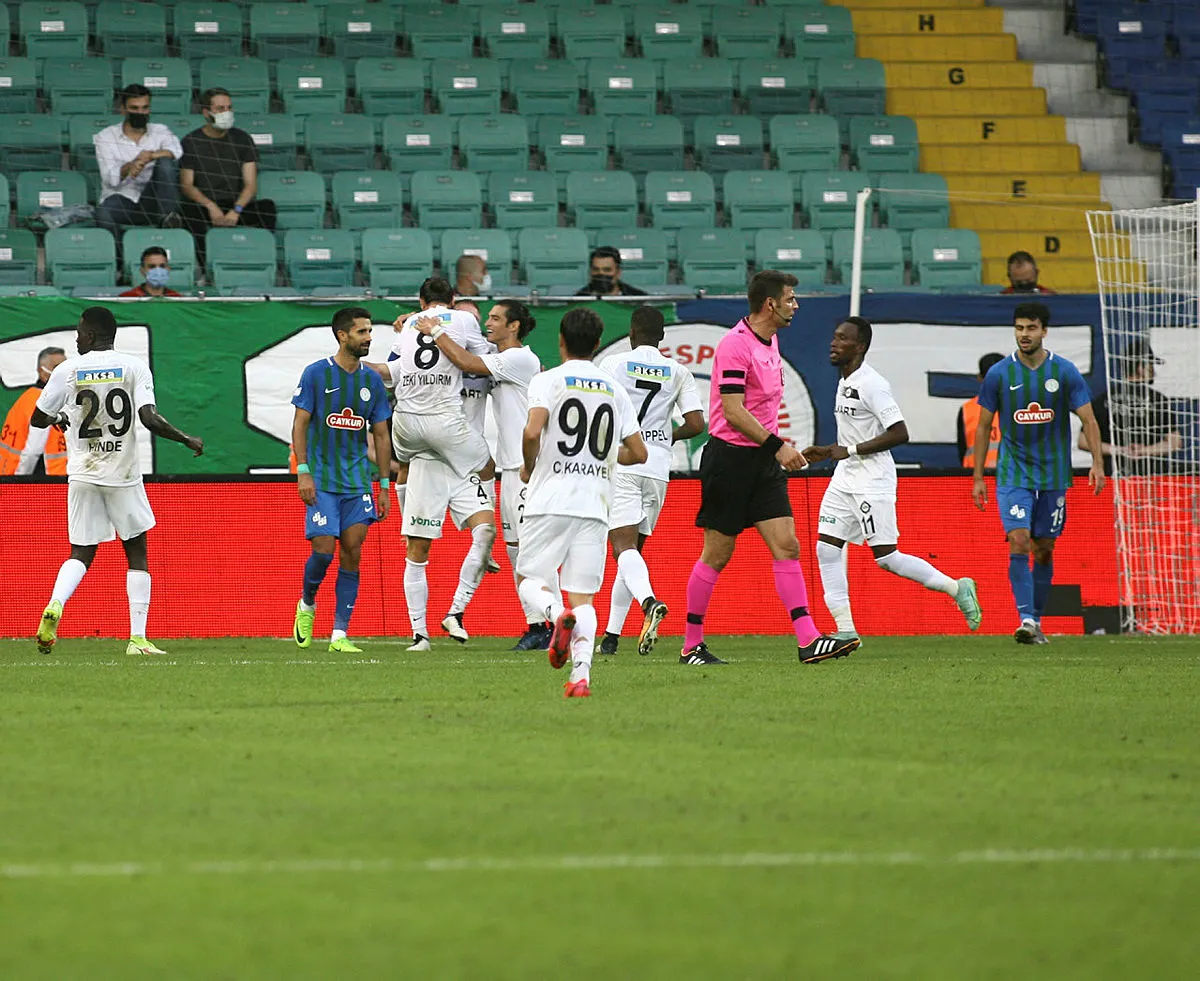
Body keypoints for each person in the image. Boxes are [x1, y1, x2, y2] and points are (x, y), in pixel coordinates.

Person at [681, 270, 858, 665]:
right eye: (791, 298)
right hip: (729, 461)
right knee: (717, 554)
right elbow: (731, 410)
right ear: (770, 304)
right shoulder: (734, 345)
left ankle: (808, 638)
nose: (796, 305)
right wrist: (778, 446)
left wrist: (778, 449)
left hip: (762, 463)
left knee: (788, 546)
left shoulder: (771, 341)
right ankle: (691, 645)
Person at [31, 307, 204, 657]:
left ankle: (55, 604)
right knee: (136, 552)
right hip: (122, 475)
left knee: (81, 551)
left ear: (92, 335)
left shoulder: (67, 370)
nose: (76, 338)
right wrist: (186, 438)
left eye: (79, 332)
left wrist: (61, 415)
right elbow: (149, 418)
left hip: (82, 473)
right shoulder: (134, 366)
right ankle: (137, 640)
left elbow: (37, 418)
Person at [803, 317, 982, 643]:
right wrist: (832, 451)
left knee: (887, 558)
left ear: (860, 347)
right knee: (825, 549)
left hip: (873, 479)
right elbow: (851, 436)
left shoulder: (873, 384)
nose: (833, 343)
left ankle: (957, 587)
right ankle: (845, 630)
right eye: (834, 336)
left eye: (842, 339)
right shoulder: (845, 380)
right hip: (845, 478)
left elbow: (900, 432)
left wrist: (849, 449)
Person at [516, 308, 647, 698]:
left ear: (560, 341)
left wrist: (528, 466)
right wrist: (605, 456)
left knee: (529, 581)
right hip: (595, 503)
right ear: (596, 345)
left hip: (550, 497)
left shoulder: (547, 380)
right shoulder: (614, 388)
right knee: (584, 597)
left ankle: (557, 617)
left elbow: (532, 430)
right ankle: (580, 677)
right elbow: (638, 452)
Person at [362, 278, 496, 649]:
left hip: (407, 424)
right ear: (452, 302)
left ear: (420, 301)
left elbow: (392, 372)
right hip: (447, 436)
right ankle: (420, 631)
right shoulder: (464, 325)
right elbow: (483, 359)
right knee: (489, 465)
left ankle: (451, 614)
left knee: (484, 533)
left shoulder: (407, 327)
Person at [415, 299, 547, 649]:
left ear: (514, 326)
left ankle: (553, 618)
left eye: (496, 318)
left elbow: (467, 359)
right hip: (509, 466)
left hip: (529, 468)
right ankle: (537, 624)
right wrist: (408, 325)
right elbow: (470, 346)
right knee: (516, 549)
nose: (488, 322)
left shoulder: (519, 359)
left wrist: (434, 328)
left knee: (532, 550)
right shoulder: (503, 356)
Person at [971, 302, 1105, 644]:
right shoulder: (1001, 373)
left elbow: (1088, 419)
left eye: (1031, 328)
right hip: (1013, 472)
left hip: (1054, 474)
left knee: (1044, 547)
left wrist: (1097, 465)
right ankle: (1026, 620)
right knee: (1018, 540)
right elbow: (985, 426)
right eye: (1019, 328)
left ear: (1044, 331)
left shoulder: (1064, 371)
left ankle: (1037, 620)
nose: (1024, 335)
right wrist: (978, 478)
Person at [596, 305, 705, 656]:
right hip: (658, 468)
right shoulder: (678, 371)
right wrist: (666, 436)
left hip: (624, 461)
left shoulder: (612, 364)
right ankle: (611, 637)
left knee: (622, 549)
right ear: (661, 337)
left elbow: (599, 409)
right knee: (633, 555)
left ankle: (649, 603)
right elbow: (696, 424)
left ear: (631, 333)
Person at [291, 307, 392, 654]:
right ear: (342, 335)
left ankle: (339, 634)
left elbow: (381, 434)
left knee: (352, 551)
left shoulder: (372, 380)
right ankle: (307, 603)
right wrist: (303, 471)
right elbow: (300, 424)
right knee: (323, 550)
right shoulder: (317, 374)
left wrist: (383, 486)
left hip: (357, 483)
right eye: (362, 332)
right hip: (320, 480)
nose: (368, 338)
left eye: (369, 332)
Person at [180, 88, 277, 242]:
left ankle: (260, 253)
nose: (227, 112)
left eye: (229, 108)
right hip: (205, 204)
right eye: (220, 109)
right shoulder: (191, 141)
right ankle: (204, 262)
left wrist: (236, 210)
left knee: (267, 208)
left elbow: (250, 185)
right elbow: (187, 185)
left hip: (235, 204)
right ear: (206, 113)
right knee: (188, 212)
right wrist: (211, 206)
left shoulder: (243, 139)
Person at [93, 84, 184, 240]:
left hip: (156, 200)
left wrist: (149, 156)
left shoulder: (160, 130)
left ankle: (169, 221)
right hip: (123, 198)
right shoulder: (105, 137)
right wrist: (131, 165)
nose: (140, 113)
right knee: (103, 213)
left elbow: (176, 151)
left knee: (165, 162)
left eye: (145, 108)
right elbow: (110, 179)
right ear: (123, 109)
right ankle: (120, 258)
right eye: (134, 108)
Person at [1086, 337, 1183, 471]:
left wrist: (1117, 450)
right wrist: (1143, 451)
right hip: (1151, 476)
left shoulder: (1103, 399)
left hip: (1113, 477)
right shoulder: (1158, 400)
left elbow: (1083, 440)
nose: (1153, 371)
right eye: (1150, 365)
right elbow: (1175, 443)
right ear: (1140, 367)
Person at [0, 347, 68, 476]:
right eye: (57, 367)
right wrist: (19, 483)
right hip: (47, 478)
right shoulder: (44, 402)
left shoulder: (28, 397)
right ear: (42, 371)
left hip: (12, 474)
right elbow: (31, 451)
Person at [956, 352, 1005, 468]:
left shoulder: (967, 410)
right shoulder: (1022, 406)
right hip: (1014, 479)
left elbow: (962, 450)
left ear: (980, 378)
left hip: (976, 478)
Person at [575, 246, 647, 297]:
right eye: (596, 269)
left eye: (607, 270)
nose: (601, 273)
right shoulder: (578, 300)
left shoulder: (637, 299)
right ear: (590, 272)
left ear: (618, 272)